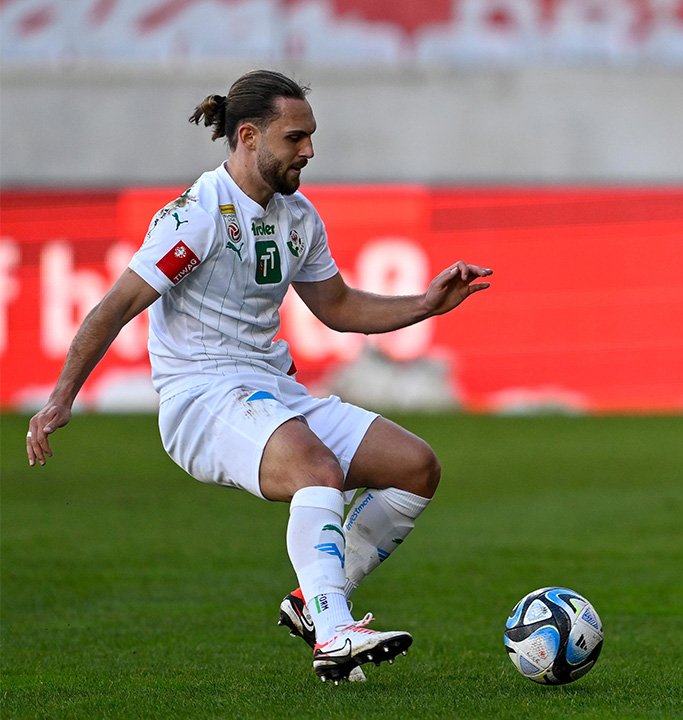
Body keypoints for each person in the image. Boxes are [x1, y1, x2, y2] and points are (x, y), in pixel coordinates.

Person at [24, 69, 493, 684]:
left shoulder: (298, 217)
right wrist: (61, 400)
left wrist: (424, 305)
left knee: (415, 467)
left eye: (311, 136)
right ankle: (334, 632)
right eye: (296, 137)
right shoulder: (198, 216)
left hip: (271, 389)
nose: (310, 150)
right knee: (316, 470)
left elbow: (340, 308)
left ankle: (315, 600)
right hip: (201, 397)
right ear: (249, 135)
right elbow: (115, 305)